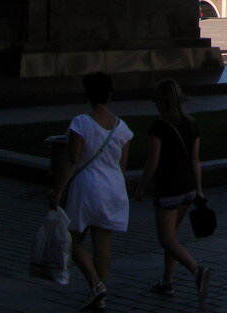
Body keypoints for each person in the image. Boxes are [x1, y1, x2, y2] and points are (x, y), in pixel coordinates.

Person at [50, 72, 133, 312]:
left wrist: (58, 191)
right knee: (103, 242)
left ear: (87, 95)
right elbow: (123, 165)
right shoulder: (123, 127)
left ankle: (96, 285)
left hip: (87, 187)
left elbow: (72, 160)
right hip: (114, 188)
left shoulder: (80, 123)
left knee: (72, 239)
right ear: (109, 94)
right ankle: (101, 294)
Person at [137, 79, 210, 302]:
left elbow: (153, 161)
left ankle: (197, 271)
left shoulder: (159, 127)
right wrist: (199, 190)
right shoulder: (192, 124)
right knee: (173, 237)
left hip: (169, 189)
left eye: (155, 99)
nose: (154, 104)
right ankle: (167, 282)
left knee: (166, 240)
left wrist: (141, 185)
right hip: (188, 189)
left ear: (163, 100)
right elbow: (196, 160)